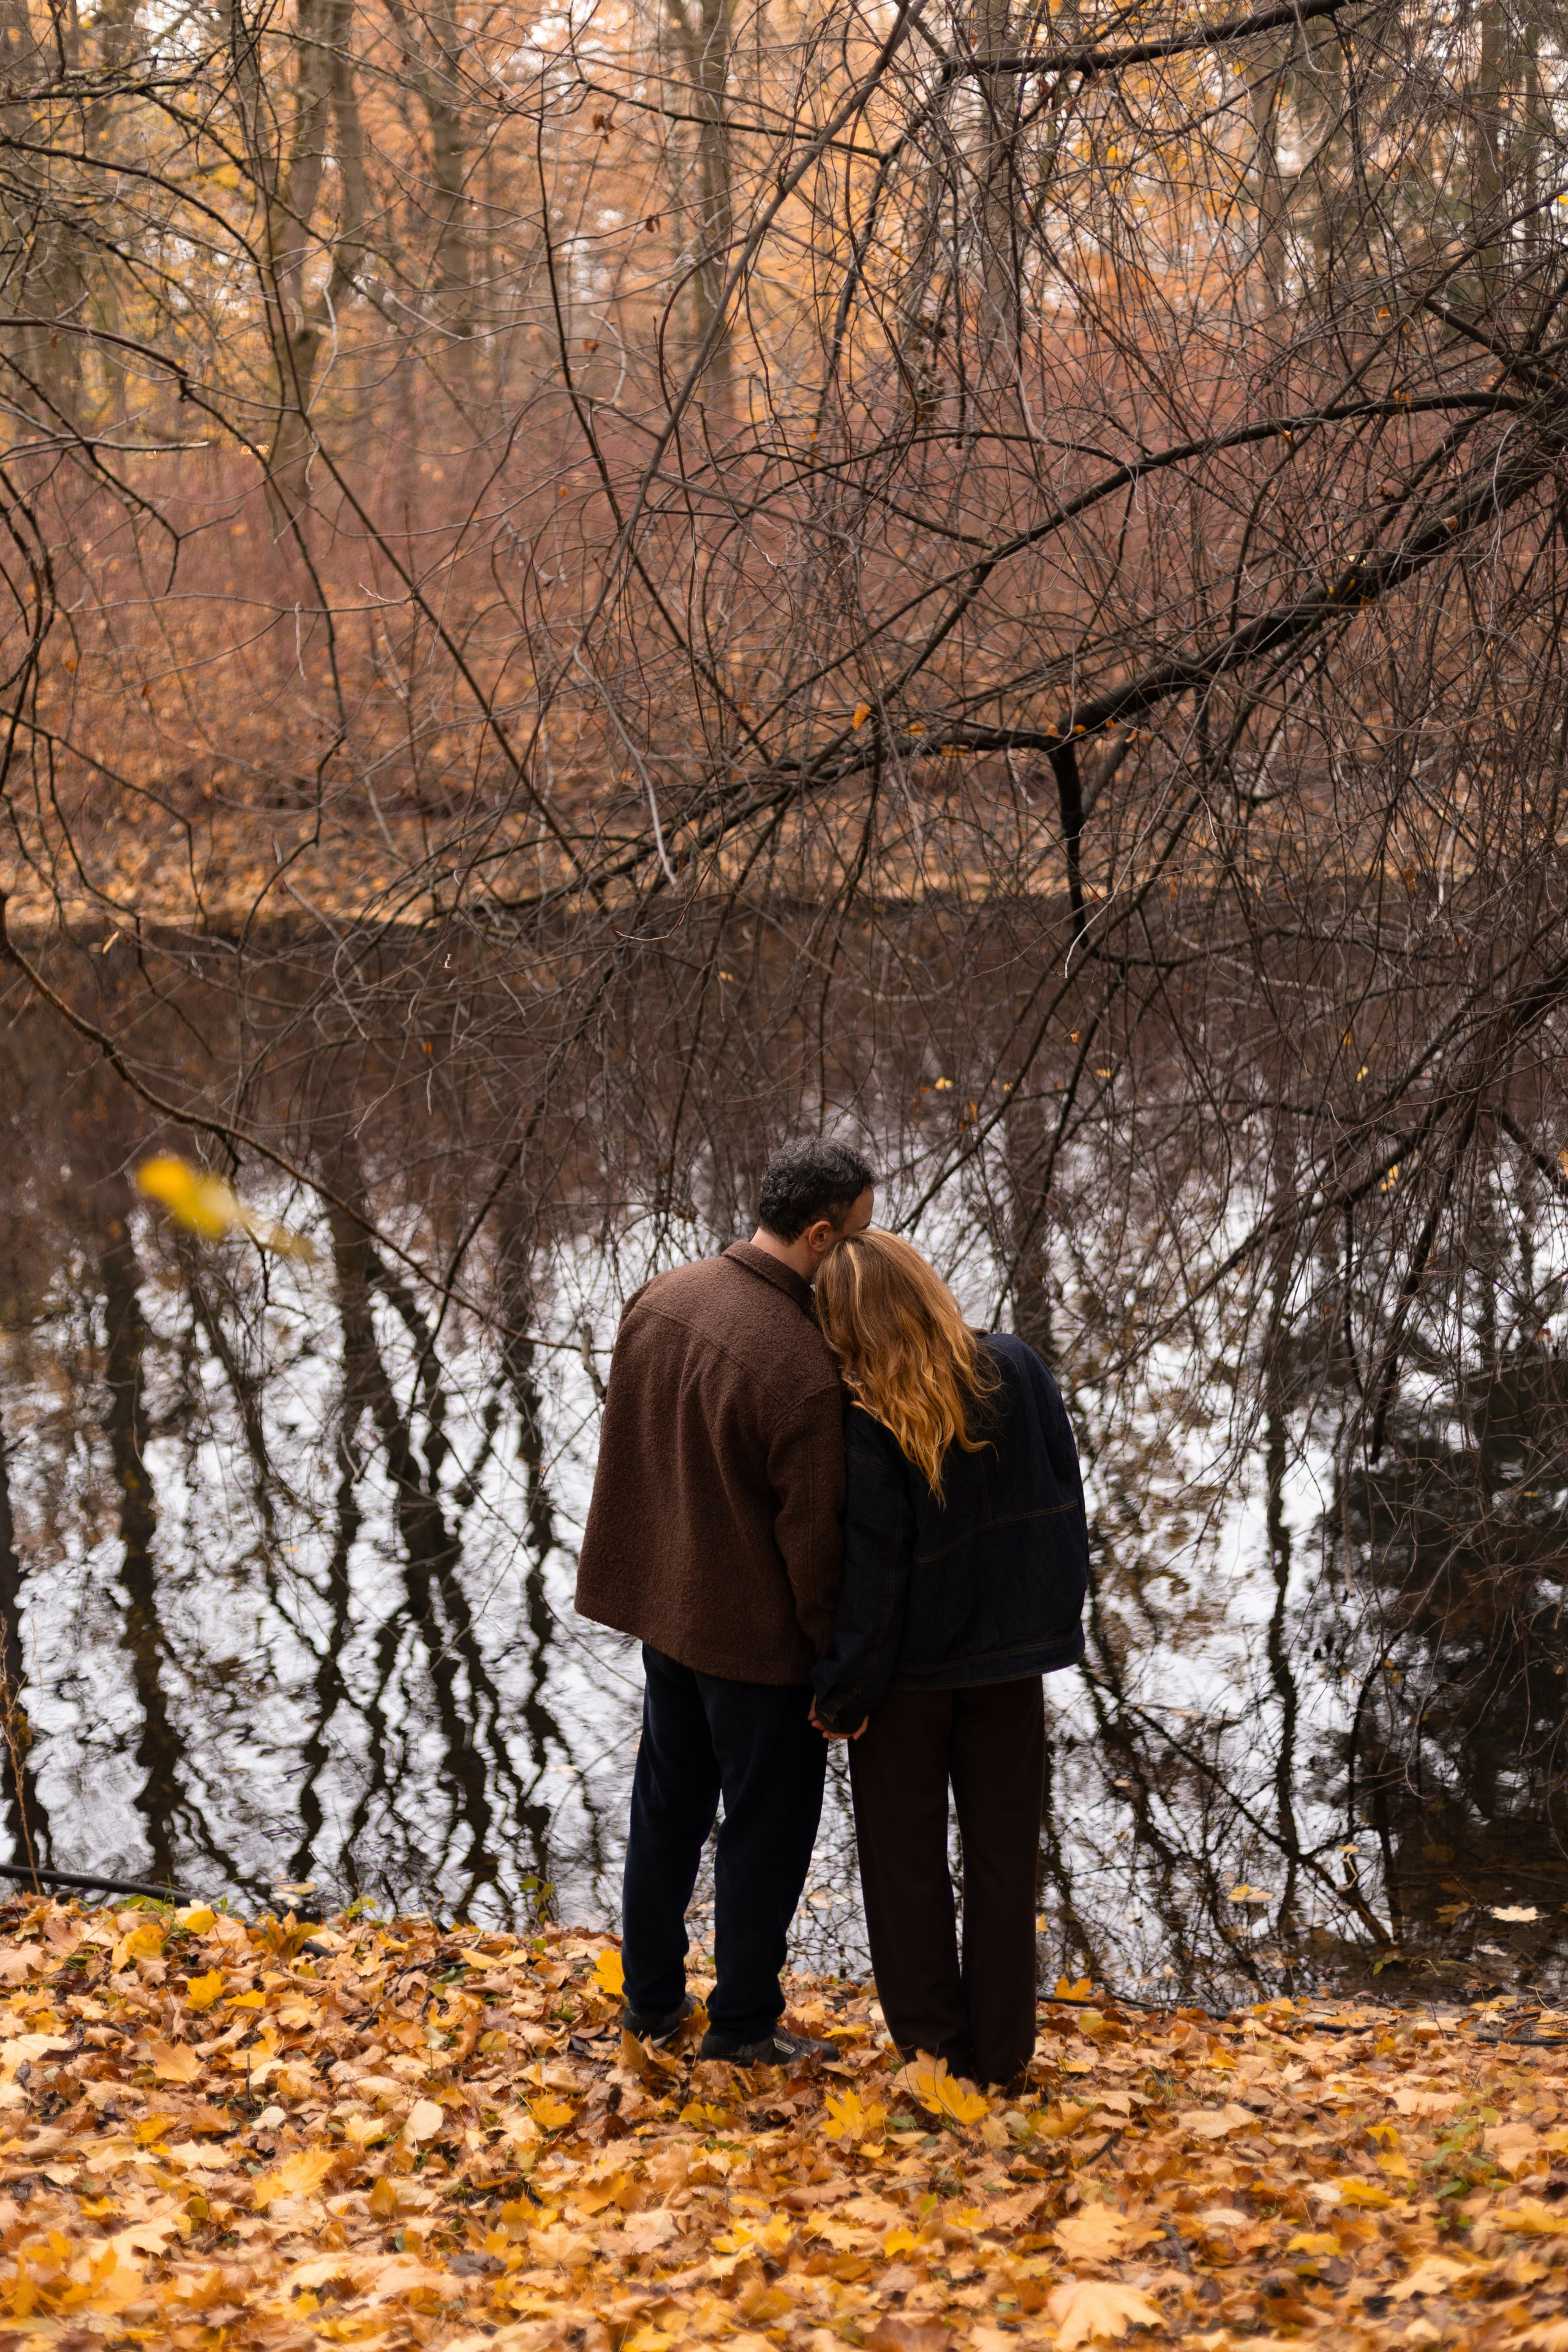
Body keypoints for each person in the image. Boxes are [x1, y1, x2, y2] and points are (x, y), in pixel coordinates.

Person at [576, 1138, 876, 2064]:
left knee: (664, 1814)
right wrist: (841, 1673)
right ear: (820, 1236)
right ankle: (745, 2025)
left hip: (669, 1620)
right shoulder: (801, 1366)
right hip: (757, 1650)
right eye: (860, 1236)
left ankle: (652, 2006)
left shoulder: (661, 1297)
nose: (868, 1252)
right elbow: (814, 1546)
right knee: (765, 1836)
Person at [810, 1230, 1088, 2090]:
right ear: (927, 1286)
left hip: (906, 1685)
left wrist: (842, 1693)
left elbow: (875, 1572)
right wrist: (1051, 1622)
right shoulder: (1017, 1368)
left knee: (906, 1868)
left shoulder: (867, 1415)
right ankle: (1004, 2058)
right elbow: (1064, 1498)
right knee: (1007, 1862)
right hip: (1008, 1668)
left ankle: (934, 2053)